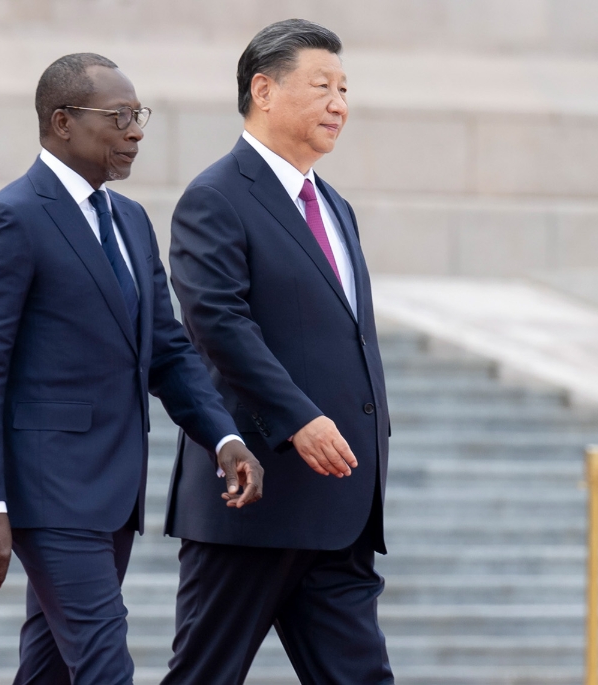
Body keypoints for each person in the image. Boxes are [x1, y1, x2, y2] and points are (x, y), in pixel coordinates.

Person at [0, 53, 263, 685]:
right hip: (48, 493)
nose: (137, 132)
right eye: (119, 117)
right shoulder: (11, 218)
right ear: (62, 122)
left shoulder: (131, 221)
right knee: (103, 665)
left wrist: (223, 436)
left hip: (113, 493)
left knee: (49, 670)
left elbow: (167, 349)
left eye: (138, 115)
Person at [161, 20, 393, 684]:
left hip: (340, 505)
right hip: (255, 501)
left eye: (344, 90)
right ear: (263, 90)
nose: (339, 104)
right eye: (322, 86)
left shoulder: (336, 206)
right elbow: (218, 323)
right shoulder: (215, 197)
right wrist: (296, 418)